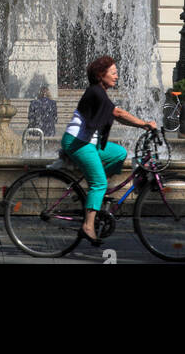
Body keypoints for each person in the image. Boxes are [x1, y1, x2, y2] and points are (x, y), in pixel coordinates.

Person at [61, 54, 156, 245]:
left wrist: (141, 125)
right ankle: (88, 227)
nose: (117, 76)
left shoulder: (100, 92)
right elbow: (118, 113)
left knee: (119, 153)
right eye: (113, 72)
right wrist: (144, 123)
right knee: (98, 183)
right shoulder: (95, 92)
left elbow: (117, 116)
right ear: (100, 74)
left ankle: (95, 192)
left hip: (90, 142)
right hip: (77, 142)